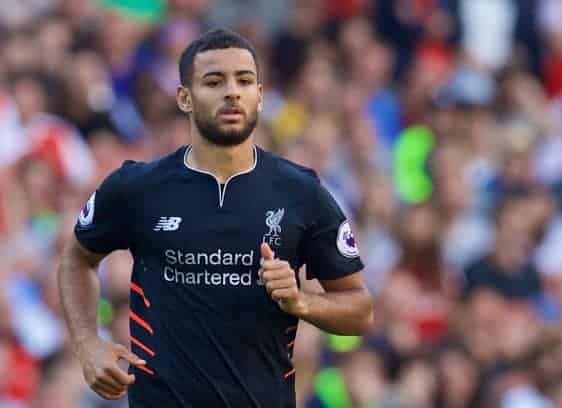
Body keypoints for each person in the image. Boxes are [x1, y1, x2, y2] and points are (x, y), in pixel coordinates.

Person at [57, 28, 374, 407]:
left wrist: (302, 301)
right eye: (214, 81)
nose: (232, 92)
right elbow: (77, 259)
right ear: (184, 98)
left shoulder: (302, 193)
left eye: (244, 80)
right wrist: (87, 343)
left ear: (260, 94)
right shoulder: (137, 187)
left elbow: (359, 310)